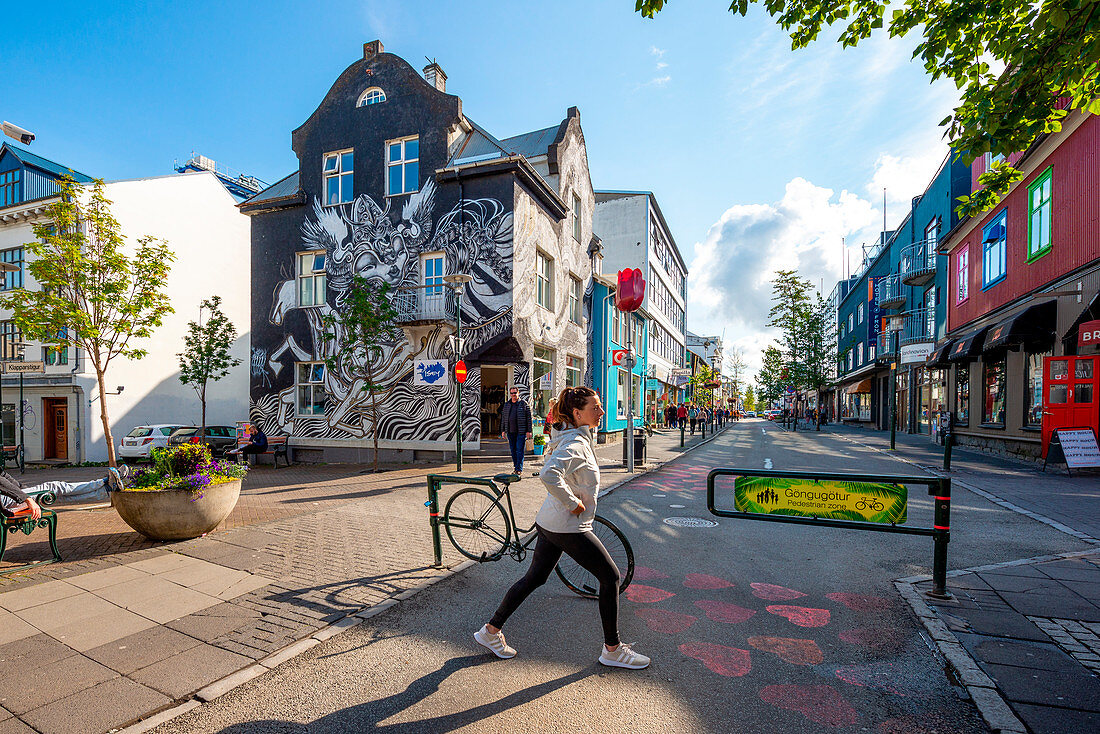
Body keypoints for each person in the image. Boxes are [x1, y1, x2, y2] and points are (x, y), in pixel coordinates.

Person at [474, 386, 650, 669]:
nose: (602, 412)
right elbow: (548, 473)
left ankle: (490, 631)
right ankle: (613, 649)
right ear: (578, 414)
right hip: (567, 526)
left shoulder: (575, 436)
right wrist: (573, 503)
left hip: (550, 522)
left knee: (535, 578)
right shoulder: (575, 444)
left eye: (600, 405)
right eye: (596, 408)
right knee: (611, 577)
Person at [0, 466, 129, 517]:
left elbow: (3, 475)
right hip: (6, 502)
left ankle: (107, 488)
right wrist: (27, 498)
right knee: (55, 487)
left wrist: (22, 488)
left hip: (7, 499)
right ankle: (105, 482)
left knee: (57, 497)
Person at [500, 386, 533, 476]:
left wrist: (529, 431)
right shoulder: (507, 404)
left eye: (515, 393)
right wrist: (503, 430)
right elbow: (504, 418)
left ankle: (519, 469)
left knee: (519, 450)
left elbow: (529, 419)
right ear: (510, 394)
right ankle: (516, 467)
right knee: (513, 451)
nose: (513, 395)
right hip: (510, 432)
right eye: (512, 393)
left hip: (521, 432)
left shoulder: (523, 404)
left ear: (518, 393)